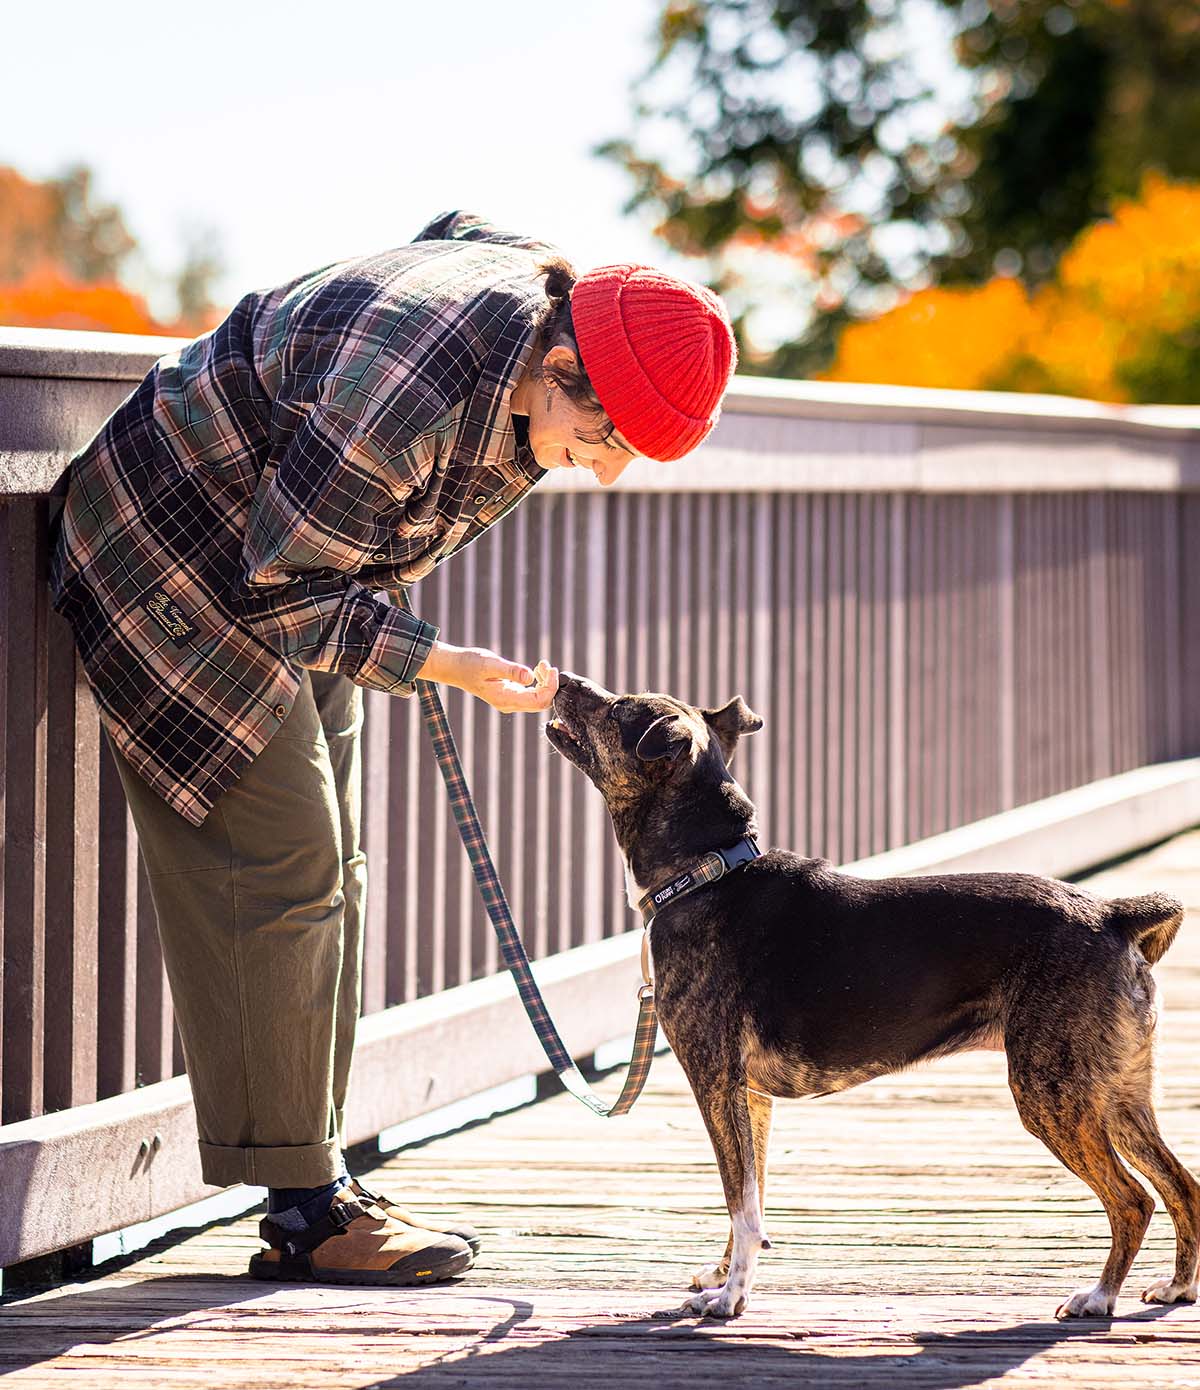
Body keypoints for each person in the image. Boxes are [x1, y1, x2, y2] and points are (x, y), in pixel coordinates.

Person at [49, 209, 736, 1287]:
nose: (602, 472)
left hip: (302, 565)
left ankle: (318, 1175)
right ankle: (303, 1210)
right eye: (602, 439)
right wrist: (442, 661)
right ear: (559, 365)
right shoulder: (401, 392)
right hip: (173, 563)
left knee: (343, 869)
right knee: (287, 867)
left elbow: (458, 226)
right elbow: (276, 590)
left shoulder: (543, 301)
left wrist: (405, 617)